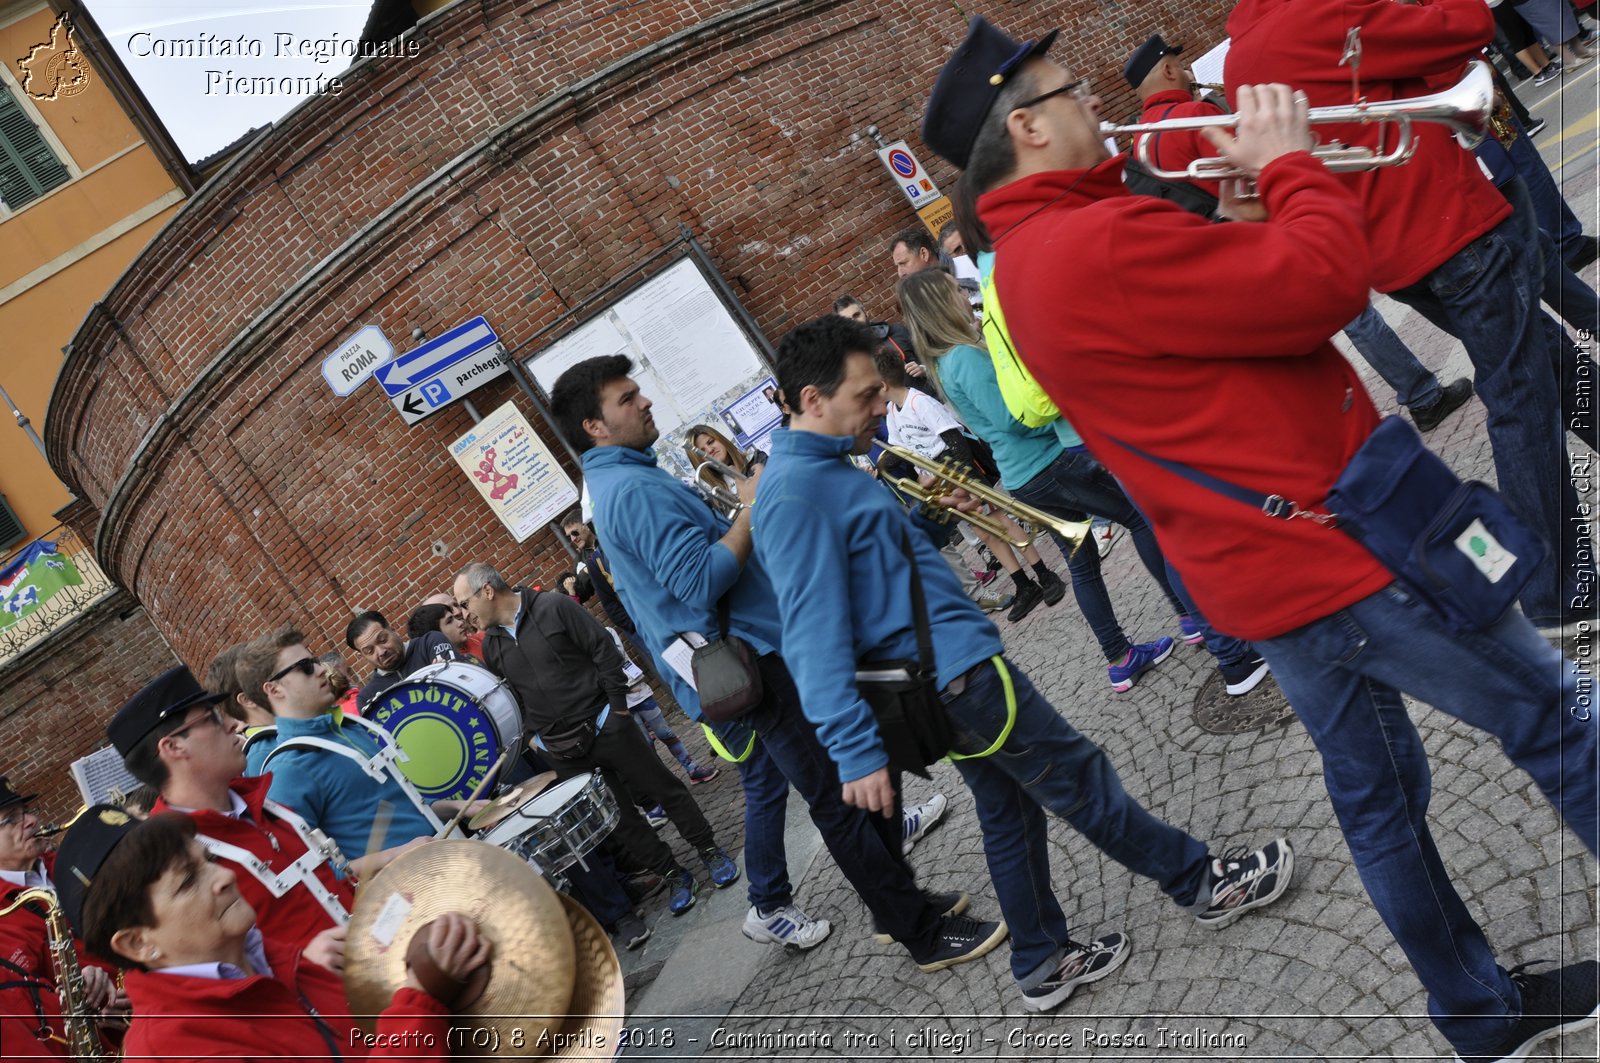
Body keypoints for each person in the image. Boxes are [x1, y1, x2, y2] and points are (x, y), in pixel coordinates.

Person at [924, 15, 1598, 1059]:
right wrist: (1291, 169)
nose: (1091, 104)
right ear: (1026, 126)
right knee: (1554, 715)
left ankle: (1475, 1010)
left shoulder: (1033, 258)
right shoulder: (1093, 238)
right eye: (1068, 94)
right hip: (1338, 544)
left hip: (1259, 571)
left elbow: (1216, 345)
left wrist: (1238, 212)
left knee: (1378, 800)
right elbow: (1323, 288)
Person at [752, 315, 1296, 1012]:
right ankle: (1204, 882)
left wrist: (934, 516)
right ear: (810, 399)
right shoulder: (798, 493)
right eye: (865, 396)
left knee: (1009, 809)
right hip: (960, 678)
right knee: (1081, 778)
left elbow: (877, 565)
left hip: (947, 674)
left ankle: (1041, 958)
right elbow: (809, 635)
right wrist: (854, 751)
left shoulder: (822, 470)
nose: (882, 406)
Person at [553, 354, 996, 968]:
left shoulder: (621, 480)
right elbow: (700, 579)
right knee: (839, 797)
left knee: (856, 774)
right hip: (756, 660)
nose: (645, 402)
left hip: (760, 652)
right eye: (627, 399)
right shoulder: (630, 489)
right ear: (594, 426)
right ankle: (916, 929)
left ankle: (898, 905)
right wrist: (753, 508)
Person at [1224, 0, 1593, 630]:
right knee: (1521, 396)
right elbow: (1467, 23)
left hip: (1395, 258)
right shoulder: (1318, 17)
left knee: (1546, 360)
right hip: (1451, 231)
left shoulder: (1240, 60)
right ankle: (1554, 590)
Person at [1122, 33, 1474, 434]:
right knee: (1356, 315)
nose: (1186, 72)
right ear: (1168, 70)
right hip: (1259, 229)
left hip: (1224, 247)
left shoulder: (1140, 138)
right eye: (1179, 65)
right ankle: (1423, 396)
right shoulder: (1196, 114)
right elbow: (1253, 170)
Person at [55, 806, 489, 1062]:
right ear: (137, 943)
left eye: (207, 860)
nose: (223, 876)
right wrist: (421, 999)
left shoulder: (277, 960)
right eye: (189, 880)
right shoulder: (174, 1048)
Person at [453, 562, 738, 917]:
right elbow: (513, 699)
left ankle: (708, 849)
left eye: (464, 603)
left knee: (664, 789)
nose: (463, 615)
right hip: (564, 752)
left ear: (487, 592)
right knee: (619, 818)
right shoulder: (493, 646)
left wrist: (617, 710)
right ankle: (672, 873)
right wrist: (533, 740)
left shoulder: (554, 607)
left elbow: (603, 650)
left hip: (608, 725)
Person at [108, 665, 353, 961]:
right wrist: (300, 967)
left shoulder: (263, 804)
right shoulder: (171, 861)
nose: (233, 725)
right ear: (173, 747)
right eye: (212, 718)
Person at [874, 349, 1065, 622]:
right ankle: (1023, 583)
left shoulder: (919, 402)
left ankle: (1044, 574)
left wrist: (960, 480)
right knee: (985, 532)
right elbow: (898, 449)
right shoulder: (892, 412)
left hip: (955, 469)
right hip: (939, 478)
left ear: (882, 385)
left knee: (999, 521)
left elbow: (955, 440)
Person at [0, 776, 120, 1058]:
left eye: (27, 811)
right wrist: (79, 994)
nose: (30, 821)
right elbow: (29, 1003)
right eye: (10, 820)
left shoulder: (73, 861)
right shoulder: (4, 916)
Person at [348, 610, 458, 712]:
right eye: (369, 651)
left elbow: (460, 681)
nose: (381, 652)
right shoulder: (368, 697)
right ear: (361, 656)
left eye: (383, 640)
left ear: (393, 629)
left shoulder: (430, 643)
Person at [406, 603, 479, 663]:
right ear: (434, 636)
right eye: (449, 621)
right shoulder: (441, 672)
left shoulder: (482, 639)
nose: (460, 623)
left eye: (454, 618)